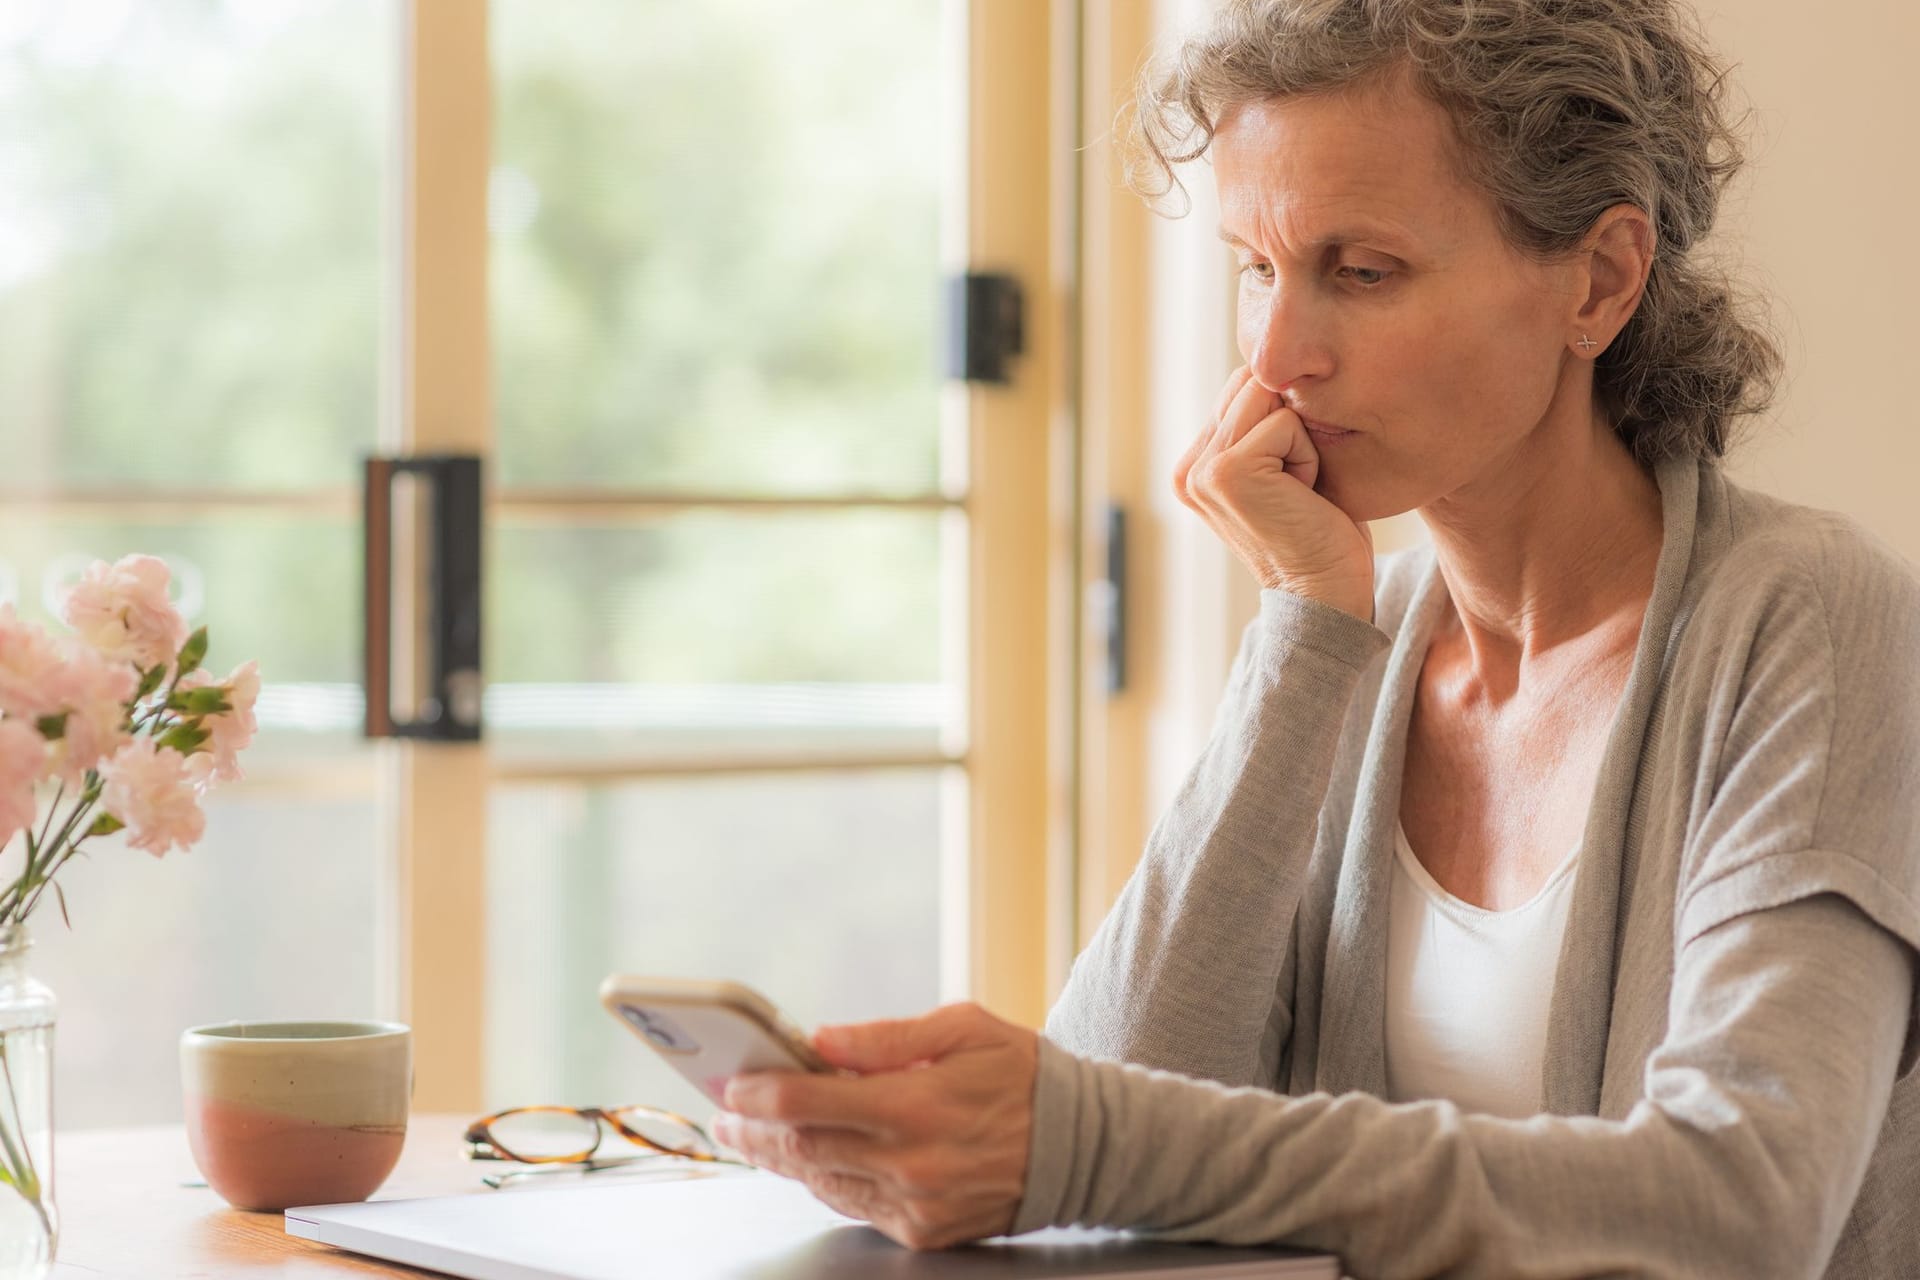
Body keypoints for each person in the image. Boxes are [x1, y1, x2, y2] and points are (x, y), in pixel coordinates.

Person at [709, 1, 1920, 1274]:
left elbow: (1744, 1204)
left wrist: (1096, 1136)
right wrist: (1304, 627)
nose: (1280, 355)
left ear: (1602, 280)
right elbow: (1109, 1129)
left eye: (1362, 271)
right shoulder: (1360, 640)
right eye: (1254, 266)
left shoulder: (1815, 621)